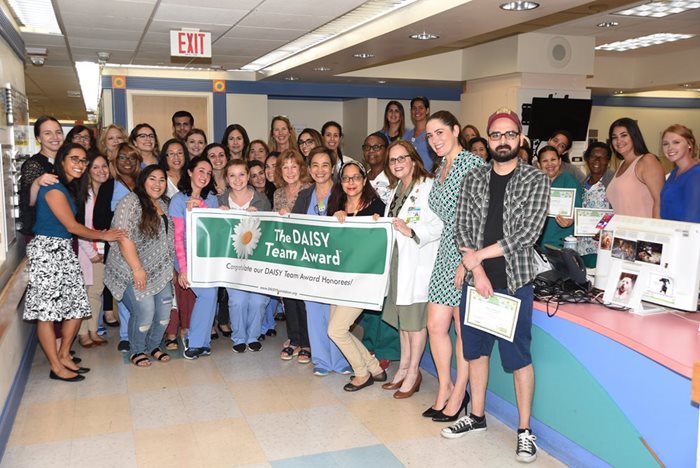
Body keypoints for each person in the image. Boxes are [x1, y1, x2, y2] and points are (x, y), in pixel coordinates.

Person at [446, 108, 550, 465]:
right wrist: (476, 270)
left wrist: (475, 260)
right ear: (488, 140)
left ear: (519, 140)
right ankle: (476, 417)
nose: (502, 141)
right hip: (477, 283)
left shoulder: (536, 180)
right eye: (495, 135)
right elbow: (461, 229)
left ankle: (524, 431)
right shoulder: (473, 178)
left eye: (509, 135)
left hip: (514, 281)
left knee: (519, 358)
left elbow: (526, 235)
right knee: (475, 353)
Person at [23, 143, 124, 382]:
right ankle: (56, 366)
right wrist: (104, 235)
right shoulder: (55, 188)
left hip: (64, 249)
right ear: (62, 161)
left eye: (83, 161)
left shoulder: (69, 188)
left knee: (78, 307)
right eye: (74, 159)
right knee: (47, 314)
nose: (80, 164)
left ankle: (65, 354)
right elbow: (71, 226)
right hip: (47, 251)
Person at [424, 111, 485, 422]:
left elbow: (481, 215)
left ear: (455, 130)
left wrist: (468, 260)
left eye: (439, 133)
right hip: (444, 249)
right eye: (430, 136)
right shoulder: (441, 168)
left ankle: (460, 391)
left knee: (463, 330)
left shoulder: (472, 165)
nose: (435, 140)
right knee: (435, 325)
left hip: (465, 250)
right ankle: (445, 386)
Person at [381, 141, 442, 398]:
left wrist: (412, 230)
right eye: (392, 160)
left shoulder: (428, 186)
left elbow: (440, 224)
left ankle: (414, 372)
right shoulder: (397, 188)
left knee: (415, 322)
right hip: (397, 261)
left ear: (414, 158)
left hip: (417, 262)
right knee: (403, 321)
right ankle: (404, 366)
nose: (396, 164)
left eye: (401, 158)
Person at [105, 165, 175, 367]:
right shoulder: (130, 202)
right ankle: (137, 350)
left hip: (159, 270)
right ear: (143, 180)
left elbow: (166, 240)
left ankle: (153, 346)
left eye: (162, 180)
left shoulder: (164, 203)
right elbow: (123, 238)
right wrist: (137, 269)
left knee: (163, 313)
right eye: (152, 179)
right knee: (144, 311)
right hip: (129, 269)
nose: (157, 184)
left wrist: (170, 267)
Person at [327, 161, 387, 391]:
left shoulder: (377, 207)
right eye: (346, 178)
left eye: (355, 178)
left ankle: (362, 374)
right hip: (340, 278)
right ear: (340, 183)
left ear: (364, 180)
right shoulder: (337, 205)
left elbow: (380, 241)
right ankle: (374, 368)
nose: (351, 183)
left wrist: (376, 225)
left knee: (336, 330)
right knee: (337, 328)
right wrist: (336, 219)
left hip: (364, 279)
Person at [290, 147, 350, 376]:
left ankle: (340, 360)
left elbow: (359, 216)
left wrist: (346, 216)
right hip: (310, 265)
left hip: (336, 265)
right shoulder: (305, 195)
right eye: (315, 165)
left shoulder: (343, 191)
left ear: (333, 168)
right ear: (308, 169)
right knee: (314, 312)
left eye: (325, 164)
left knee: (335, 313)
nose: (320, 170)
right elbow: (293, 226)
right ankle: (322, 361)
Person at [169, 156, 221, 359]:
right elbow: (178, 238)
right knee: (207, 295)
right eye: (201, 170)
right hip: (187, 259)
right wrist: (183, 268)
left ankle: (201, 340)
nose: (205, 176)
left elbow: (215, 229)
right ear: (190, 172)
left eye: (209, 173)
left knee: (210, 295)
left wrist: (202, 208)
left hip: (208, 258)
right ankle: (195, 340)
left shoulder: (212, 199)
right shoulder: (178, 200)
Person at [218, 159, 272, 352]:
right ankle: (239, 337)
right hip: (233, 262)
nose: (237, 179)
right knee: (238, 301)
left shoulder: (261, 200)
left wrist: (260, 217)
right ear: (226, 178)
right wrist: (219, 215)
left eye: (241, 174)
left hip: (258, 261)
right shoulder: (221, 200)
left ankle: (253, 336)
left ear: (248, 176)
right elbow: (215, 231)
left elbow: (271, 231)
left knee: (258, 301)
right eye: (232, 175)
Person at [274, 149, 312, 363]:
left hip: (305, 253)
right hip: (284, 253)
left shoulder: (309, 189)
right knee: (289, 298)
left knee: (303, 300)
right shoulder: (278, 193)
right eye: (285, 167)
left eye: (293, 166)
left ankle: (307, 343)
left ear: (301, 168)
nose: (289, 171)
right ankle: (294, 340)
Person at [109, 143, 143, 352]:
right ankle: (125, 335)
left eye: (132, 158)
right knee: (123, 290)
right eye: (122, 157)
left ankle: (140, 332)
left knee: (141, 290)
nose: (127, 162)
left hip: (144, 244)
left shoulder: (143, 183)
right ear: (115, 161)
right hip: (120, 244)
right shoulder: (109, 185)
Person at [77, 154, 111, 348]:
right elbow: (79, 228)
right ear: (88, 171)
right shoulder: (84, 195)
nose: (101, 171)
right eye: (96, 167)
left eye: (104, 166)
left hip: (101, 251)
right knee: (84, 292)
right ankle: (82, 333)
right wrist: (92, 253)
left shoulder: (105, 193)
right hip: (85, 252)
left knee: (96, 292)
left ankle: (93, 330)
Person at [606, 118, 665, 218]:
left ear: (634, 136)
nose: (619, 141)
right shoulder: (621, 164)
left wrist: (656, 231)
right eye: (614, 137)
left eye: (624, 135)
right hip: (622, 231)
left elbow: (660, 201)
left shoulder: (647, 160)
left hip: (643, 230)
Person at [19, 116, 63, 236]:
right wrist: (37, 182)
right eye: (47, 133)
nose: (55, 137)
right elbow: (28, 203)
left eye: (58, 132)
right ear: (38, 138)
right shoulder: (33, 164)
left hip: (67, 230)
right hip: (44, 234)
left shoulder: (67, 161)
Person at [537, 145, 582, 249]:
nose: (550, 164)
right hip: (539, 241)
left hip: (561, 241)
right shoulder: (537, 183)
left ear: (560, 161)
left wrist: (571, 220)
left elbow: (579, 209)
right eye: (545, 161)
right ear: (539, 164)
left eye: (553, 159)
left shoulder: (568, 180)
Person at [577, 142, 613, 267]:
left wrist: (601, 228)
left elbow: (618, 211)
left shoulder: (613, 183)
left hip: (602, 246)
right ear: (587, 158)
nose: (597, 160)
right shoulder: (581, 184)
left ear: (608, 161)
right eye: (593, 156)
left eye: (602, 157)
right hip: (581, 247)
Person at [660, 124, 700, 223]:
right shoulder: (674, 172)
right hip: (670, 233)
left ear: (689, 144)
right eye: (665, 144)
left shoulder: (696, 174)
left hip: (687, 236)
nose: (670, 148)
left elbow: (692, 219)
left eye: (676, 142)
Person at [403, 97, 433, 171]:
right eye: (414, 108)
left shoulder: (432, 134)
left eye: (421, 108)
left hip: (428, 178)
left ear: (427, 110)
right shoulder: (406, 136)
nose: (417, 111)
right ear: (411, 111)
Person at [363, 132, 392, 204]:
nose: (371, 150)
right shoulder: (361, 178)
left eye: (376, 147)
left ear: (386, 150)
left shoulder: (393, 177)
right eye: (367, 147)